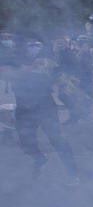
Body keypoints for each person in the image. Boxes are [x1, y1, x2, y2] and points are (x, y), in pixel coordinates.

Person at [7, 38, 79, 182]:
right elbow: (10, 75)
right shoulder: (13, 62)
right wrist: (29, 67)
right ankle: (39, 158)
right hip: (24, 108)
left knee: (57, 139)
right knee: (25, 141)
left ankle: (73, 173)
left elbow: (63, 79)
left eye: (36, 45)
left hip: (45, 106)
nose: (33, 48)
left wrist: (70, 88)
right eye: (30, 45)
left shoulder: (48, 63)